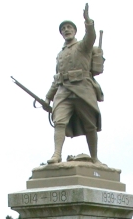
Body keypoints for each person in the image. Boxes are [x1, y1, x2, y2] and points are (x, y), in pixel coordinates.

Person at [45, 3, 103, 165]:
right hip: (64, 91)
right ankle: (56, 154)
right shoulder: (60, 55)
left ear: (75, 31)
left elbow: (90, 37)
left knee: (90, 125)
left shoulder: (83, 46)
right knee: (59, 122)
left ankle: (94, 158)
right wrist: (48, 97)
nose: (66, 30)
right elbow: (57, 78)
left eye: (69, 27)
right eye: (64, 29)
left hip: (83, 89)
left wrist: (88, 22)